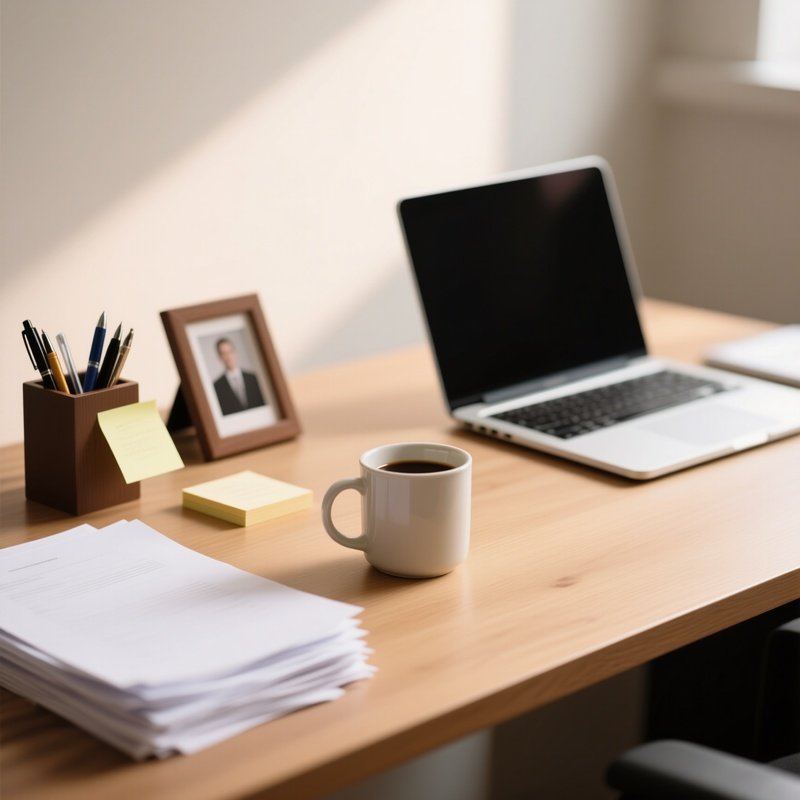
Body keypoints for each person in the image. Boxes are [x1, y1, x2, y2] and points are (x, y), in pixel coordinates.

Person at [212, 337, 266, 415]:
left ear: (235, 353)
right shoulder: (216, 386)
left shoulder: (253, 378)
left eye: (230, 352)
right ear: (220, 357)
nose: (228, 357)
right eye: (224, 354)